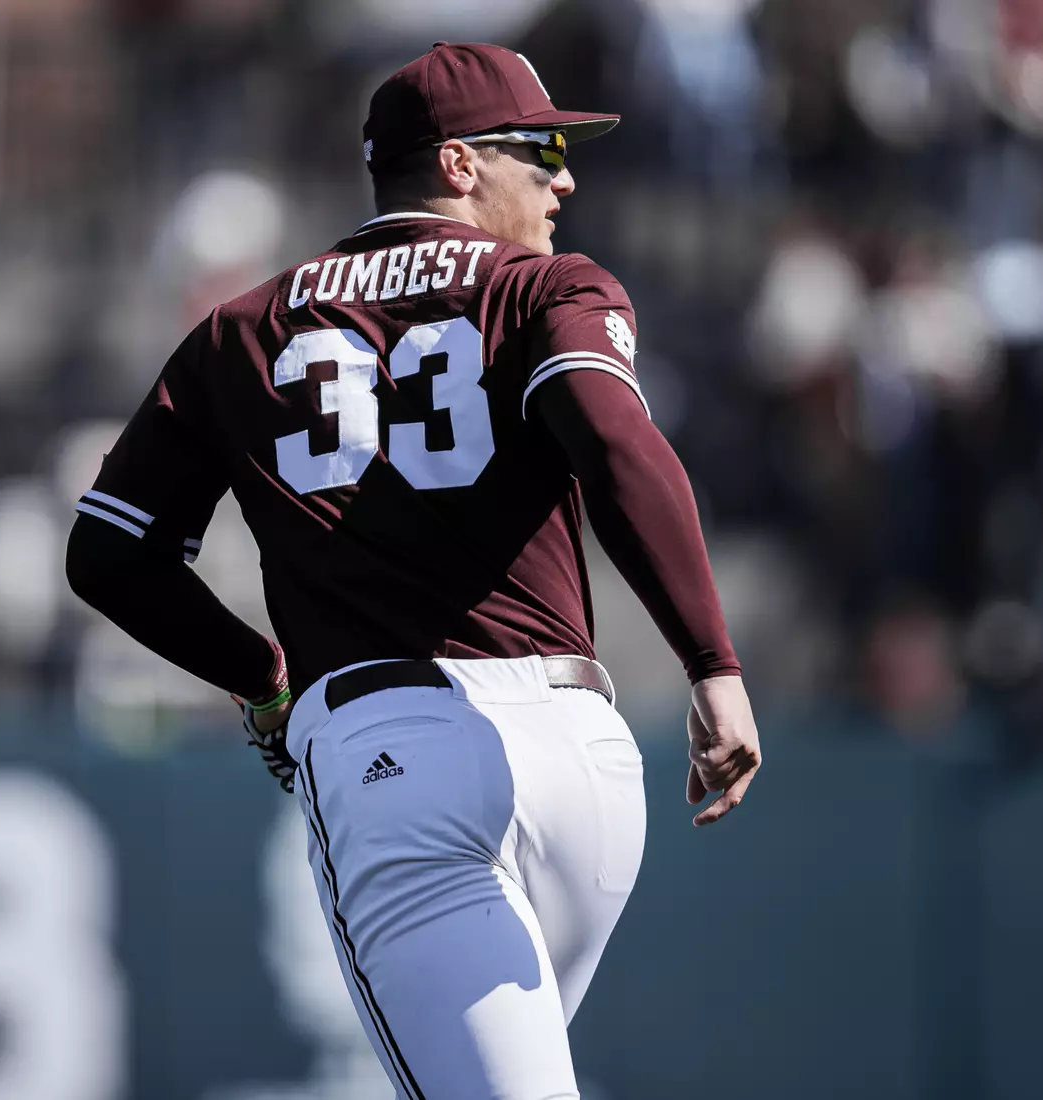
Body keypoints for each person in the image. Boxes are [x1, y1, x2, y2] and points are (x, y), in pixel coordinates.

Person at [67, 41, 762, 1099]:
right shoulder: (543, 288)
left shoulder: (242, 330)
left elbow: (110, 551)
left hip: (400, 757)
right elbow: (617, 444)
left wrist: (263, 677)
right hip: (585, 760)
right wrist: (711, 661)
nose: (566, 176)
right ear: (457, 163)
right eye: (541, 148)